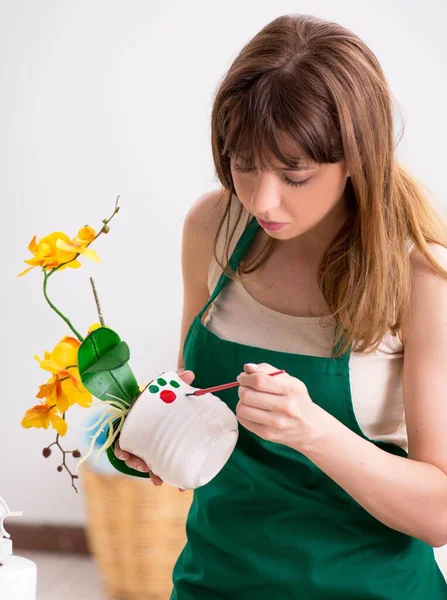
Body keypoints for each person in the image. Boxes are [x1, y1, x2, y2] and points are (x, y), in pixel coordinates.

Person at [115, 13, 447, 599]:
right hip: (215, 581)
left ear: (356, 160)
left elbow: (439, 514)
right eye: (244, 164)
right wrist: (152, 426)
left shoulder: (421, 274)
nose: (262, 199)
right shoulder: (212, 228)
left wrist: (314, 430)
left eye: (295, 174)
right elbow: (194, 400)